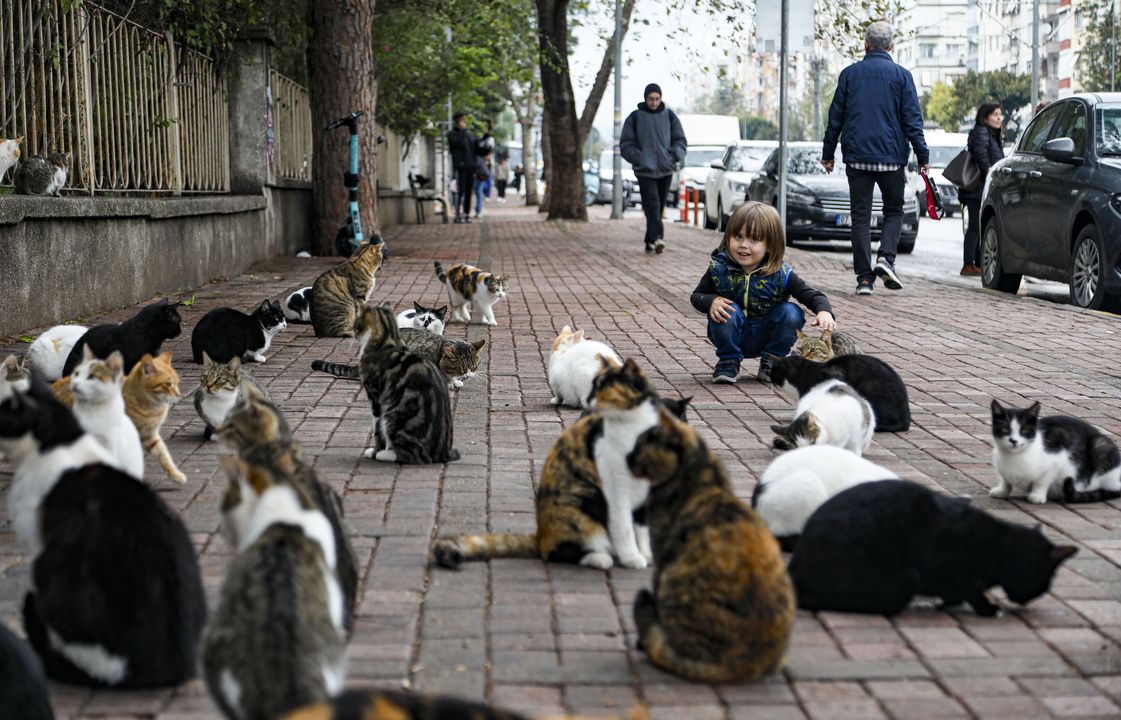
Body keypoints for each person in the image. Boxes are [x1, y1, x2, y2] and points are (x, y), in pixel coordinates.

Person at [821, 21, 929, 296]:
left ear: (866, 44)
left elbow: (836, 117)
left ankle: (864, 280)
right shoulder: (902, 76)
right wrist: (922, 154)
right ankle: (886, 259)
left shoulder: (849, 74)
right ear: (891, 46)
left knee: (860, 217)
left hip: (857, 158)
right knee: (894, 211)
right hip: (892, 158)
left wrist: (828, 152)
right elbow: (912, 120)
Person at [690, 202, 837, 384]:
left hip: (767, 333)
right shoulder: (719, 268)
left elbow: (813, 295)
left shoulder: (780, 273)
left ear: (770, 244)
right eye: (738, 236)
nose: (743, 245)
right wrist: (711, 301)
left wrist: (824, 311)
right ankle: (728, 361)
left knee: (791, 312)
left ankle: (772, 363)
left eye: (754, 239)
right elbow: (697, 295)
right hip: (731, 333)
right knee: (726, 307)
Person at [620, 83, 687, 254]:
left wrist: (673, 156)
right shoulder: (634, 117)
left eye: (657, 99)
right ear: (645, 98)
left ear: (661, 99)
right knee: (653, 204)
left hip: (665, 169)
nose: (654, 102)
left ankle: (649, 240)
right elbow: (625, 145)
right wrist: (640, 158)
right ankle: (658, 238)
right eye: (651, 99)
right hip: (645, 171)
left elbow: (680, 140)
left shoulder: (670, 116)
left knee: (657, 206)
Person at [958, 103, 1005, 277]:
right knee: (974, 227)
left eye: (1000, 114)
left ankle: (977, 263)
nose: (999, 118)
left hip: (981, 187)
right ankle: (968, 264)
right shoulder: (982, 133)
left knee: (979, 226)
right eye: (995, 115)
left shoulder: (991, 134)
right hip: (977, 187)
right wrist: (989, 173)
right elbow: (982, 157)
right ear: (985, 118)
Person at [447, 112, 478, 224]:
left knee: (469, 191)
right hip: (459, 166)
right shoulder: (452, 134)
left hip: (470, 166)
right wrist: (461, 131)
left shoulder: (469, 134)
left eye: (464, 120)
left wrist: (486, 137)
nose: (463, 122)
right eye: (461, 120)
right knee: (459, 191)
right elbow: (456, 145)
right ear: (456, 121)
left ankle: (466, 213)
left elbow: (477, 148)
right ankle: (457, 214)